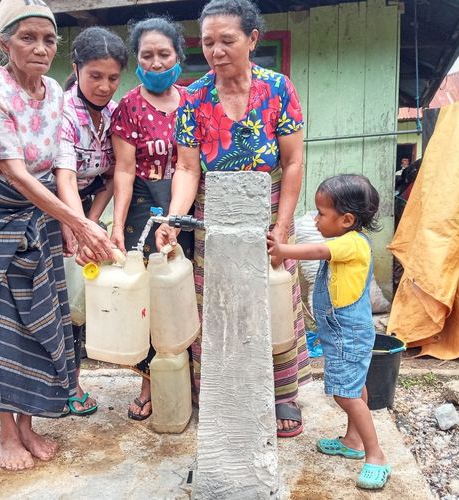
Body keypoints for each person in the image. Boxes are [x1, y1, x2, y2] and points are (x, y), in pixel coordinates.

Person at [0, 0, 114, 471]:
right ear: (2, 42)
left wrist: (71, 222)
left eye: (49, 39)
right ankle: (6, 433)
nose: (41, 48)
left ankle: (27, 424)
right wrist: (81, 222)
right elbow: (17, 175)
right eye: (28, 38)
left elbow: (61, 166)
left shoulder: (54, 93)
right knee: (4, 326)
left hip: (39, 218)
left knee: (41, 318)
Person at [155, 0, 311, 438]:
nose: (217, 51)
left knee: (274, 301)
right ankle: (216, 392)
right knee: (215, 307)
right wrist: (174, 217)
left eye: (228, 40)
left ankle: (282, 394)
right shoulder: (194, 97)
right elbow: (187, 169)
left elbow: (294, 162)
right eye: (208, 43)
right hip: (213, 216)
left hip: (269, 211)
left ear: (253, 39)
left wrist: (281, 227)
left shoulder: (278, 88)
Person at [267, 174, 391, 490]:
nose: (316, 219)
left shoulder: (351, 243)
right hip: (344, 333)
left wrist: (282, 248)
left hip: (348, 334)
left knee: (345, 394)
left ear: (347, 219)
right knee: (356, 388)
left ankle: (375, 455)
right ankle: (353, 441)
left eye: (321, 214)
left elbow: (319, 252)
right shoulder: (347, 242)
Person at [110, 17, 194, 421]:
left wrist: (179, 215)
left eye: (164, 54)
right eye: (147, 55)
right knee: (149, 299)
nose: (157, 62)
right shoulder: (129, 106)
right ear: (137, 61)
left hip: (188, 205)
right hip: (144, 209)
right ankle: (149, 382)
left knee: (186, 294)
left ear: (178, 55)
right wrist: (116, 225)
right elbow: (124, 172)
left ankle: (190, 380)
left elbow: (194, 166)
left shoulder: (194, 101)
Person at [55, 27, 128, 365]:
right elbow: (65, 176)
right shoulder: (63, 112)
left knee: (83, 291)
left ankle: (75, 374)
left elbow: (114, 176)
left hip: (86, 207)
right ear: (76, 69)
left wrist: (92, 220)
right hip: (52, 205)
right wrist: (76, 225)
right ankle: (61, 383)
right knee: (56, 296)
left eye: (113, 78)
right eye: (95, 76)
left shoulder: (116, 113)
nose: (104, 86)